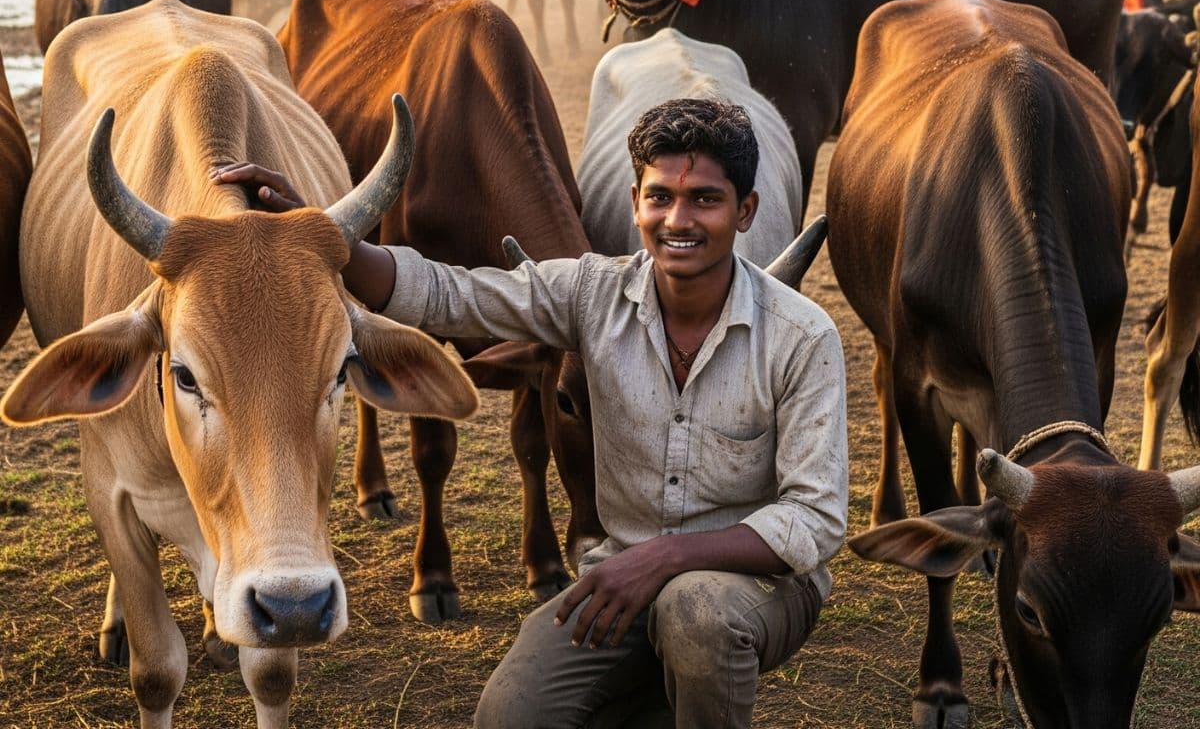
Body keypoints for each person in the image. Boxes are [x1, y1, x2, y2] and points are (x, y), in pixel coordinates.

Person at [213, 98, 849, 728]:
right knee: (511, 714)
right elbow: (444, 294)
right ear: (634, 204)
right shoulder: (592, 294)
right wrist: (324, 235)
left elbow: (816, 518)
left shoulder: (802, 335)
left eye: (705, 200)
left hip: (759, 587)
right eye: (659, 197)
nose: (677, 219)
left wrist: (665, 557)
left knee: (697, 614)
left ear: (746, 212)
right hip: (621, 578)